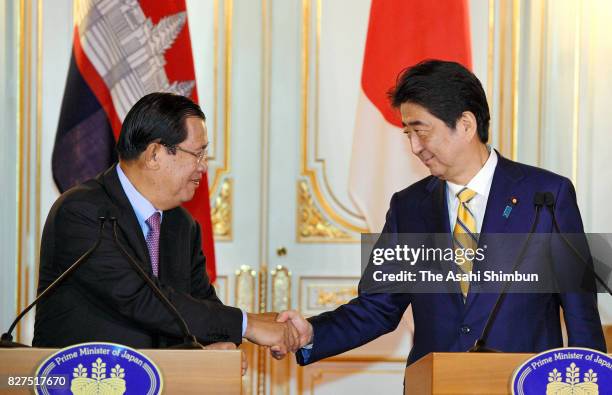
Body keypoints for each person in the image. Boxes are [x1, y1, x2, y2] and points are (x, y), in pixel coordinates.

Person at [273, 60, 606, 366]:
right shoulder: (409, 207)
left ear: (465, 124)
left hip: (519, 383)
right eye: (408, 134)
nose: (415, 146)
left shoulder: (546, 196)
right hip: (434, 383)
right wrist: (312, 333)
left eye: (421, 130)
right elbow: (378, 307)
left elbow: (581, 315)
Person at [34, 93, 299, 370]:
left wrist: (211, 348)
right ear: (155, 154)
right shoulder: (82, 211)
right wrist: (248, 324)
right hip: (79, 378)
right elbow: (140, 298)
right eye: (197, 154)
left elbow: (199, 308)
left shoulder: (182, 225)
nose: (203, 167)